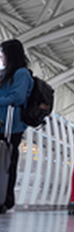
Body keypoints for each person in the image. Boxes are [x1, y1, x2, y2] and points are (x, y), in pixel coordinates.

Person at [0, 39, 34, 213]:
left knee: (8, 161)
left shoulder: (21, 74)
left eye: (3, 54)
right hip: (2, 122)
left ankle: (5, 199)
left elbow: (18, 97)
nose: (2, 58)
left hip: (11, 125)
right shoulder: (4, 73)